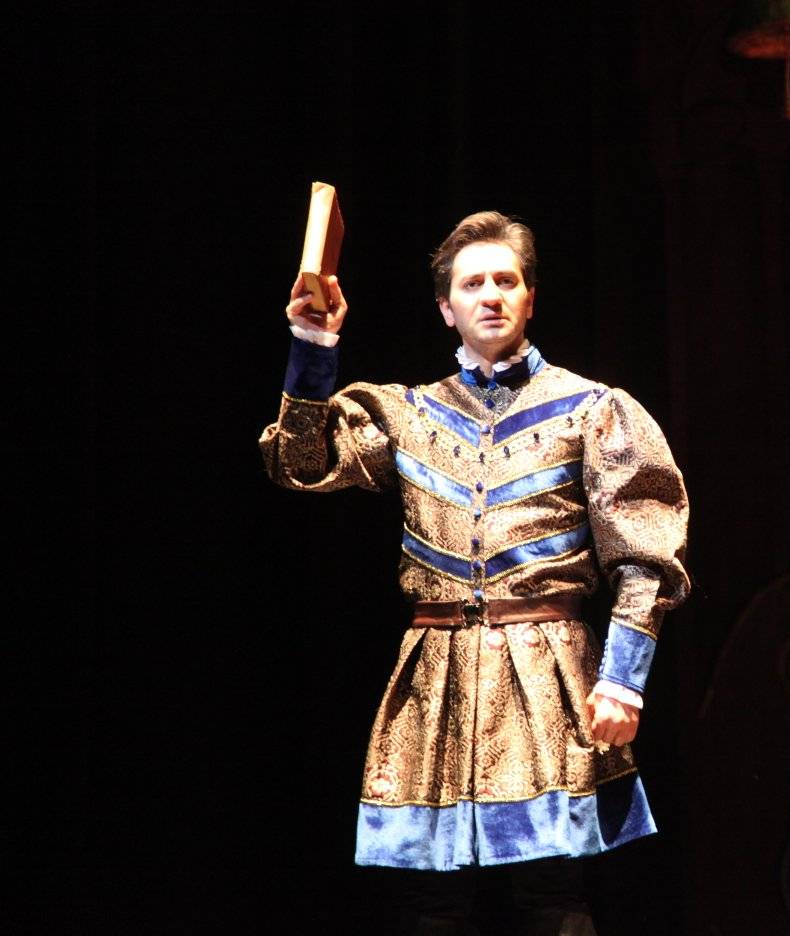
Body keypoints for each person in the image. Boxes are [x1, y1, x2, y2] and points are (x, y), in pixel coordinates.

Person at [260, 211, 689, 934]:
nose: (490, 295)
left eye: (506, 281)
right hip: (437, 679)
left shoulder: (592, 410)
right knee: (432, 902)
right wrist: (313, 345)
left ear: (530, 297)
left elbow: (645, 555)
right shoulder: (410, 415)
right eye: (472, 284)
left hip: (547, 675)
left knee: (552, 893)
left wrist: (623, 679)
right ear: (445, 307)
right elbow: (299, 463)